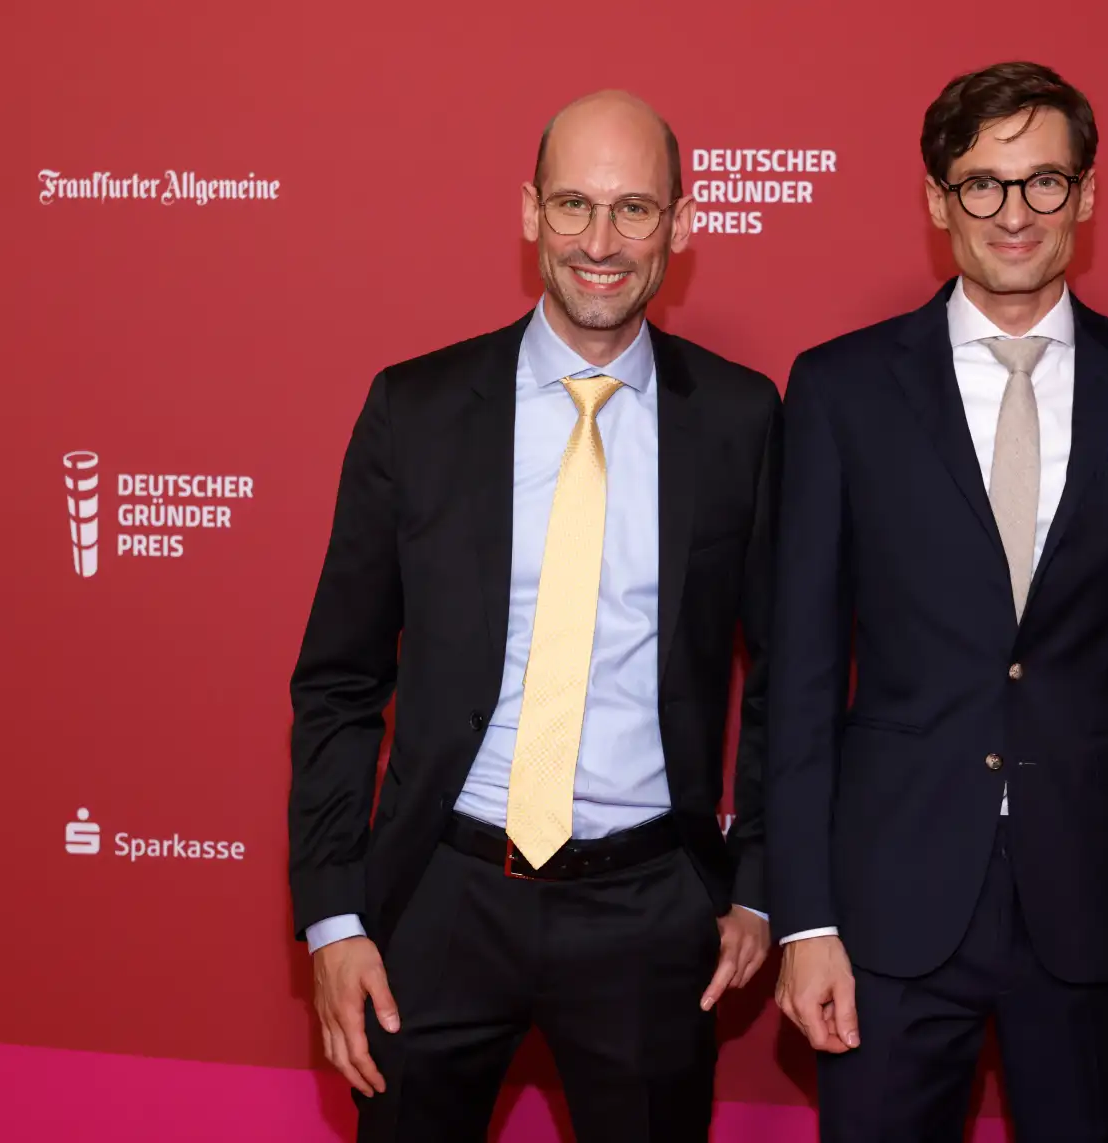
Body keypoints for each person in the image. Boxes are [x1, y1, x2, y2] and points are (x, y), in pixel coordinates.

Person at [287, 89, 779, 1143]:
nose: (600, 242)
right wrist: (335, 917)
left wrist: (763, 883)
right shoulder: (413, 411)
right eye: (573, 205)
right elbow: (338, 680)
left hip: (654, 916)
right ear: (528, 213)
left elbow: (789, 676)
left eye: (635, 209)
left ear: (683, 225)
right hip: (439, 902)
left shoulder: (742, 422)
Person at [767, 61, 1108, 1142]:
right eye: (982, 184)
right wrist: (808, 920)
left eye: (1043, 183)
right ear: (937, 201)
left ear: (1088, 195)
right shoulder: (840, 390)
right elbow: (796, 674)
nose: (1013, 214)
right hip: (886, 909)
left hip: (1093, 910)